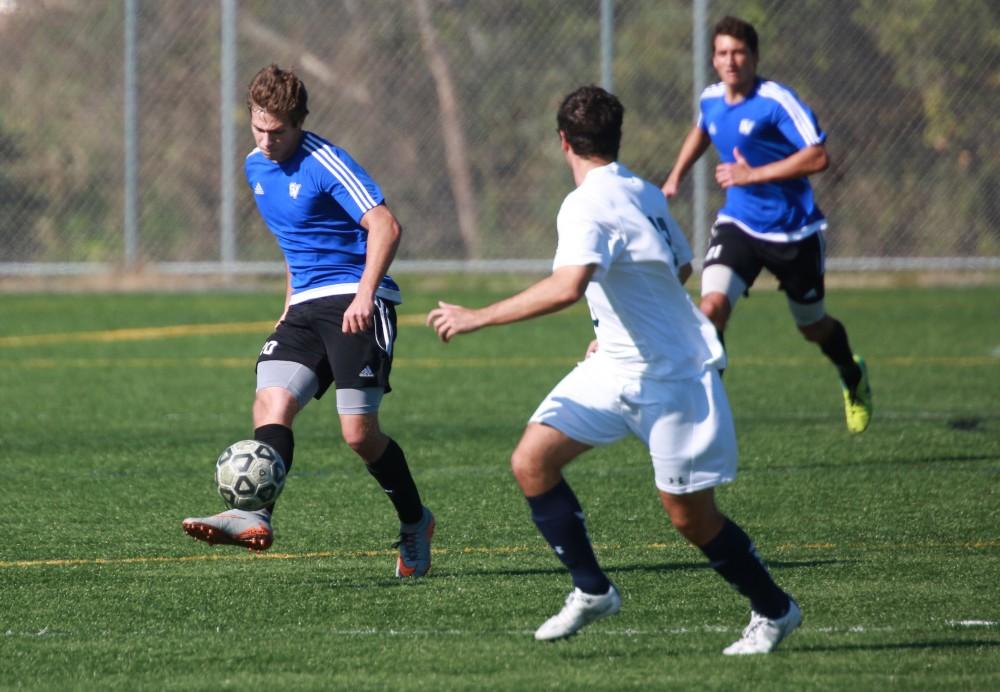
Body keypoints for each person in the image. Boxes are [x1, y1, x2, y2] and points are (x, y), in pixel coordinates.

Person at [427, 85, 801, 654]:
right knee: (532, 461)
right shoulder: (643, 189)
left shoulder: (585, 204)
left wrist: (475, 316)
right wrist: (615, 330)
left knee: (690, 519)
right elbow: (677, 266)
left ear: (563, 143)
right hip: (616, 367)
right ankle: (592, 589)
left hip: (674, 379)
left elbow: (567, 286)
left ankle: (775, 611)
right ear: (616, 137)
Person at [182, 64, 434, 578]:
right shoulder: (255, 167)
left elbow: (385, 225)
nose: (267, 140)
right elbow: (296, 245)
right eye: (258, 127)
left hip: (355, 300)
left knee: (359, 435)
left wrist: (366, 294)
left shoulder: (326, 162)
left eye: (278, 131)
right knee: (271, 400)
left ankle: (416, 522)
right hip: (304, 308)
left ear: (299, 123)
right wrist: (288, 305)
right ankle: (254, 515)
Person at [661, 15, 872, 434]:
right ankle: (709, 416)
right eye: (722, 53)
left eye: (739, 52)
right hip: (738, 224)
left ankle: (852, 374)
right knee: (712, 309)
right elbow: (703, 128)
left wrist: (752, 175)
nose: (730, 61)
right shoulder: (711, 98)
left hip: (794, 232)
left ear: (754, 57)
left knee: (813, 326)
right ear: (714, 59)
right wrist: (674, 177)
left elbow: (818, 156)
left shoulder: (776, 101)